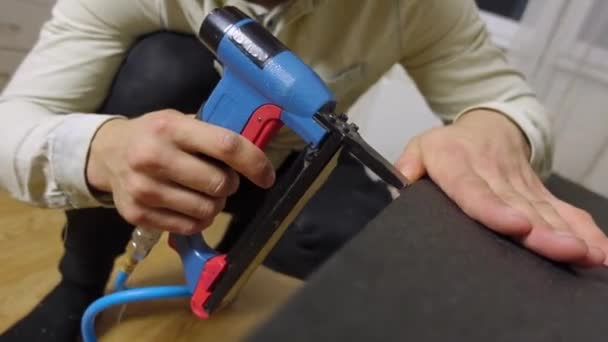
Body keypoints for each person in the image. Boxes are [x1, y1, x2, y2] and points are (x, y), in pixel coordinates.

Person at [0, 0, 606, 341]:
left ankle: (230, 271)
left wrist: (493, 128)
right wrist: (103, 150)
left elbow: (512, 100)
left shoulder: (419, 5)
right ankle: (77, 287)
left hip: (293, 163)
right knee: (160, 66)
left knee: (378, 243)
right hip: (162, 131)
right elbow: (11, 124)